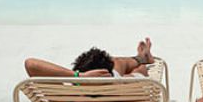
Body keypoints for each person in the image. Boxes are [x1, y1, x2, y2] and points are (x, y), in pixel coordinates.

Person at [24, 37, 154, 78]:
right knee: (121, 63)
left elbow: (30, 64)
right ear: (106, 74)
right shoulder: (122, 86)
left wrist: (79, 77)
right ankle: (142, 58)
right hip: (115, 92)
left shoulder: (71, 101)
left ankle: (142, 57)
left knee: (116, 61)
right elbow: (142, 72)